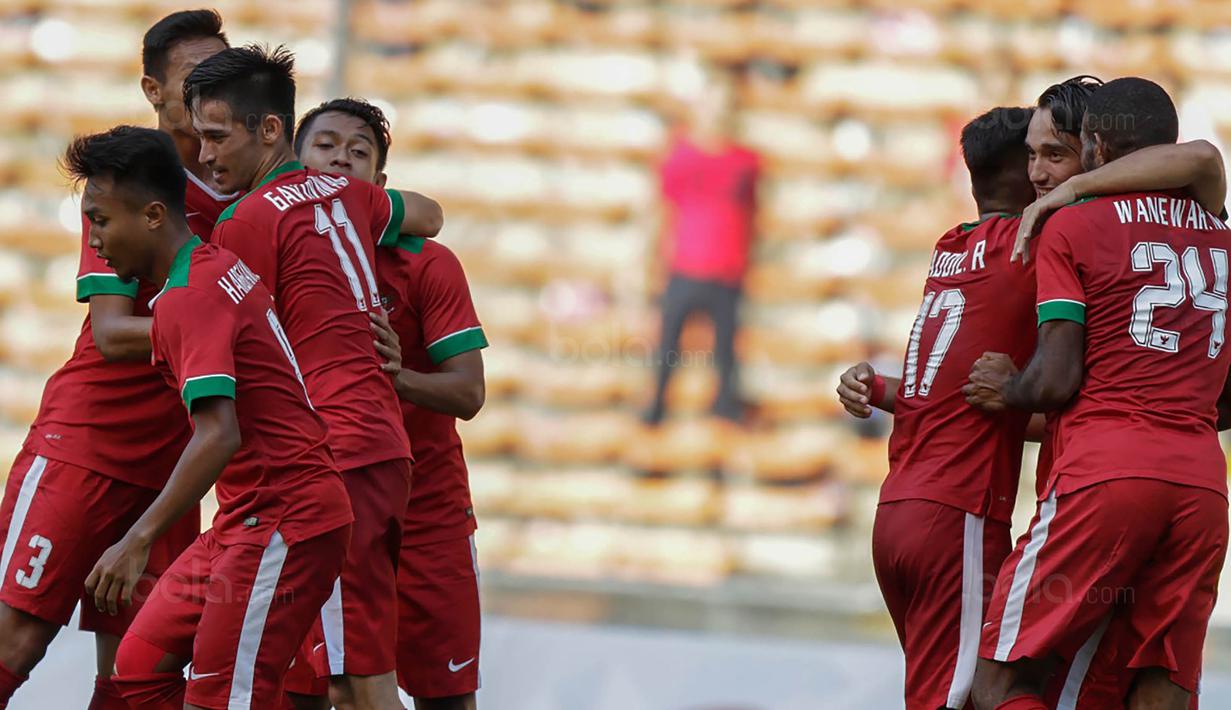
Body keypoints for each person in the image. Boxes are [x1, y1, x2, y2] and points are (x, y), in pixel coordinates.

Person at [183, 45, 443, 710]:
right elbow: (428, 213)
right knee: (337, 669)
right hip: (380, 446)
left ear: (270, 131)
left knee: (354, 680)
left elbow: (242, 348)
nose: (206, 158)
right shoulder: (352, 194)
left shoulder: (246, 221)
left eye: (216, 137)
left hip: (334, 458)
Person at [65, 124, 353, 710]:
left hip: (282, 519)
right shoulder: (211, 265)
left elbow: (221, 433)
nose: (94, 241)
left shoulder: (188, 298)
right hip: (246, 516)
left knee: (224, 700)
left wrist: (136, 538)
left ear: (151, 215)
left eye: (100, 220)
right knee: (141, 667)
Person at [965, 77, 1231, 710]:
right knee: (1161, 683)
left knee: (999, 678)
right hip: (1200, 484)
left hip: (1104, 478)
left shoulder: (1074, 224)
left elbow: (1053, 380)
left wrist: (1011, 389)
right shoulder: (1222, 233)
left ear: (1095, 146)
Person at [0, 10, 233, 709]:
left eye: (221, 75)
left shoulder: (255, 194)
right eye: (193, 77)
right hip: (88, 447)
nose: (208, 93)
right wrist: (219, 326)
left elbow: (412, 212)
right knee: (15, 642)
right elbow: (109, 333)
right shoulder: (126, 185)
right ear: (153, 90)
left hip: (172, 474)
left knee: (140, 676)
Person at [295, 97, 487, 710]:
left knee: (448, 699)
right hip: (332, 511)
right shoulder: (270, 258)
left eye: (358, 153)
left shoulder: (427, 263)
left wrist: (398, 377)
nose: (340, 161)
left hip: (429, 515)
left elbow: (469, 392)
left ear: (379, 184)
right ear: (294, 166)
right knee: (334, 693)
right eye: (325, 146)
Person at [645, 73, 759, 426]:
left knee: (726, 346)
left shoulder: (746, 161)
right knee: (668, 344)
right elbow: (662, 209)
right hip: (686, 263)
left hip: (727, 266)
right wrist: (652, 260)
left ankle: (725, 404)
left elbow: (751, 212)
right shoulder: (680, 156)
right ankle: (657, 405)